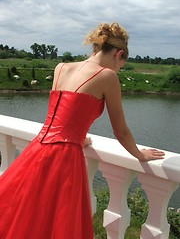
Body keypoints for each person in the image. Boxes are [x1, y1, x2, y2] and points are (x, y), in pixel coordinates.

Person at [0, 22, 165, 239]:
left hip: (37, 150)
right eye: (120, 65)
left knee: (26, 216)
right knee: (58, 225)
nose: (118, 69)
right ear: (119, 54)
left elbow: (59, 120)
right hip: (64, 159)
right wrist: (139, 154)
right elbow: (121, 130)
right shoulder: (108, 76)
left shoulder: (61, 67)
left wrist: (79, 137)